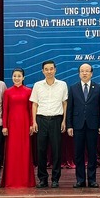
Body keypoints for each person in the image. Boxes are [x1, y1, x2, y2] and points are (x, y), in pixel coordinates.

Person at [66, 63, 100, 188]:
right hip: (78, 125)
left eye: (87, 71)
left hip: (93, 125)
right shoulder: (73, 88)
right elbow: (70, 108)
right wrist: (69, 125)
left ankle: (92, 179)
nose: (84, 73)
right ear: (79, 73)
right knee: (78, 154)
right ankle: (80, 180)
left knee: (92, 153)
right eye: (82, 71)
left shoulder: (98, 87)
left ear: (91, 73)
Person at [30, 60, 68, 188]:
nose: (49, 71)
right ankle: (43, 179)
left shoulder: (62, 85)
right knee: (41, 151)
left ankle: (55, 179)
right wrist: (34, 121)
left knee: (56, 151)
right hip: (41, 120)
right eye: (46, 69)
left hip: (57, 120)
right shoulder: (37, 85)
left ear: (55, 70)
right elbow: (34, 104)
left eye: (51, 69)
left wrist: (64, 120)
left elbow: (65, 104)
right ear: (43, 71)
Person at [2, 68, 35, 188]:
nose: (16, 78)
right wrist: (4, 126)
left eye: (19, 76)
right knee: (12, 152)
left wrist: (31, 124)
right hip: (12, 125)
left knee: (24, 151)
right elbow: (5, 110)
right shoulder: (7, 92)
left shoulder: (29, 91)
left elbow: (31, 109)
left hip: (24, 124)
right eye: (14, 76)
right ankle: (11, 180)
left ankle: (25, 180)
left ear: (23, 78)